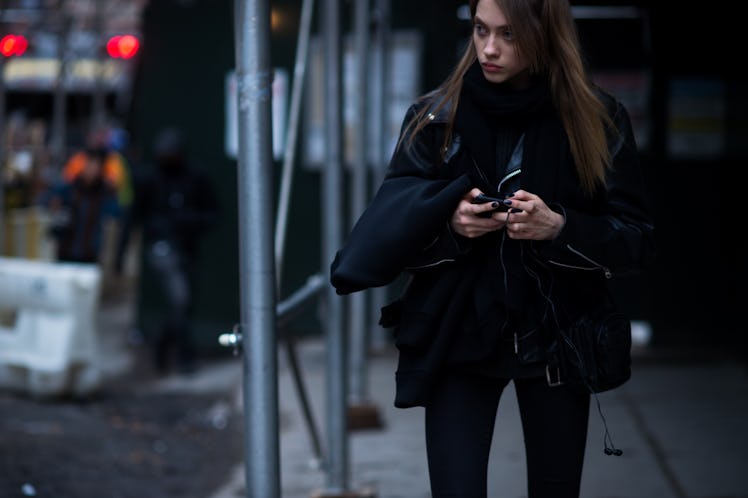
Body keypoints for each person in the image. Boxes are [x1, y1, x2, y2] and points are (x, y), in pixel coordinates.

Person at [330, 0, 656, 497]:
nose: (488, 48)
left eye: (508, 35)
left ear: (545, 36)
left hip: (557, 337)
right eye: (481, 30)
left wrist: (559, 227)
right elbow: (388, 234)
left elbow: (635, 241)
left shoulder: (597, 119)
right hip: (459, 331)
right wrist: (452, 225)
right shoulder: (434, 116)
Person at [129, 126, 219, 374]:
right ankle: (183, 356)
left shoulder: (195, 177)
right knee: (181, 298)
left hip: (187, 247)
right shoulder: (151, 179)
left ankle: (164, 343)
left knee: (184, 304)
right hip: (162, 247)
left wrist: (189, 221)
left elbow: (212, 213)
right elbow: (136, 215)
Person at [40, 146, 121, 264]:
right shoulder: (69, 188)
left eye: (95, 165)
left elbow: (116, 213)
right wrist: (53, 204)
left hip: (89, 255)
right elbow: (45, 200)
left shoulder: (104, 193)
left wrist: (114, 191)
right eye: (89, 164)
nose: (91, 169)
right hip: (65, 251)